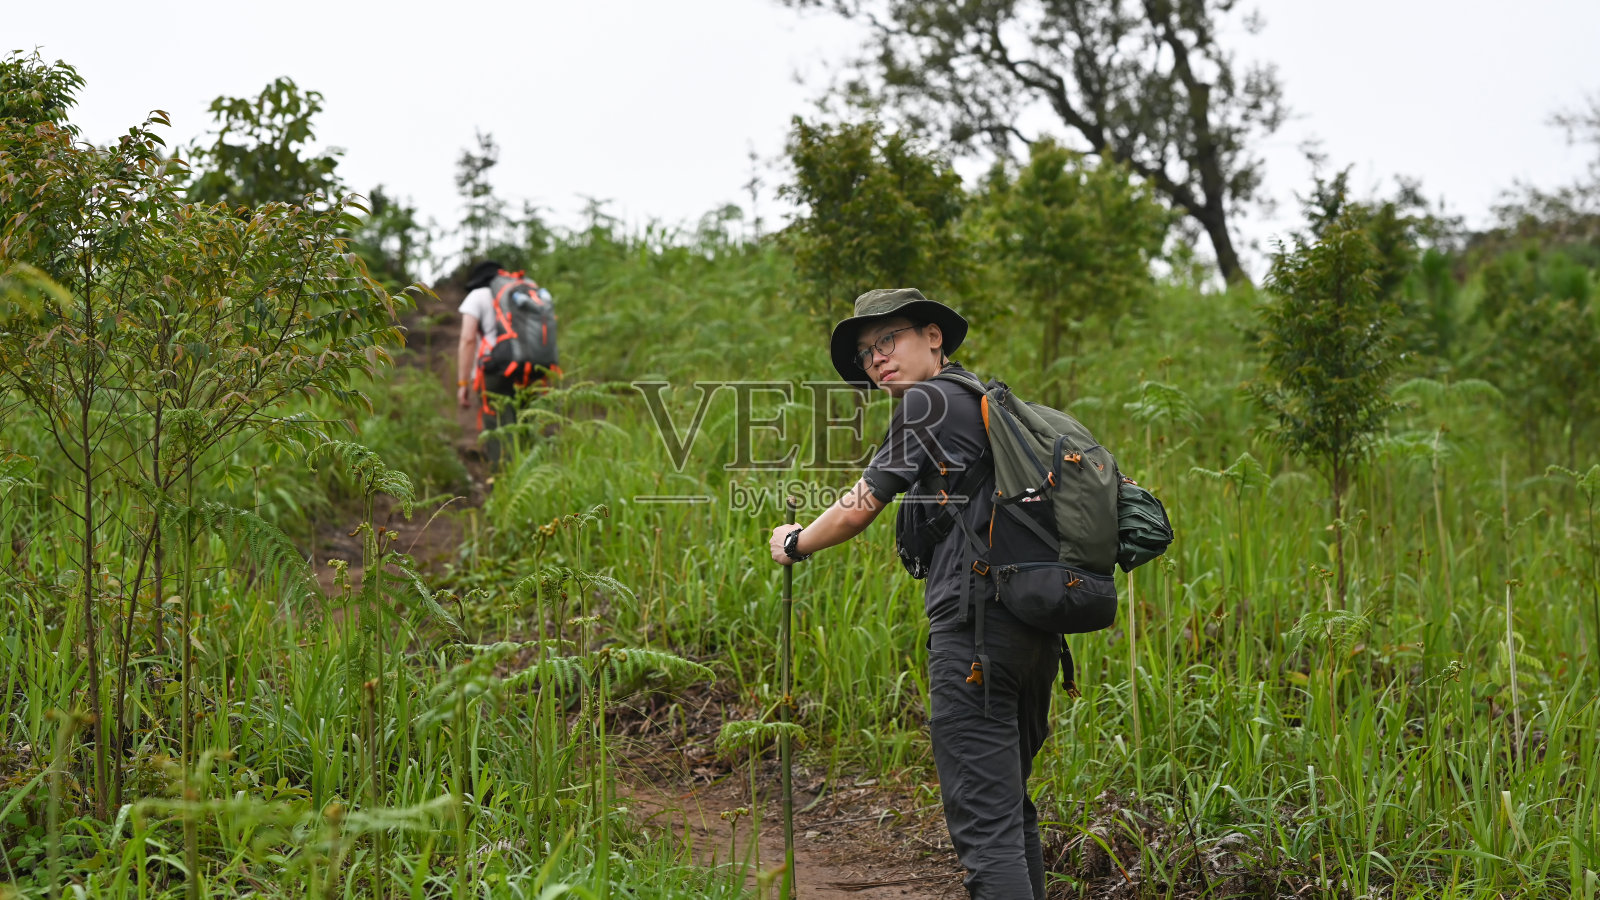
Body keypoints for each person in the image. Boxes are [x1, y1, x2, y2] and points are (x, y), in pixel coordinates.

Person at [768, 288, 1060, 900]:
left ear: (933, 336)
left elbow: (859, 508)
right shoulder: (984, 401)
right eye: (867, 352)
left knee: (986, 823)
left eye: (888, 340)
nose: (877, 359)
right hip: (1033, 629)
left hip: (977, 630)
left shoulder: (929, 403)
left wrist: (797, 541)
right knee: (1007, 810)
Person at [455, 259, 558, 454]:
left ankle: (502, 479)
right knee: (526, 424)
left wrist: (463, 384)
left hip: (495, 370)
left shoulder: (477, 295)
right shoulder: (521, 292)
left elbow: (468, 339)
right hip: (529, 366)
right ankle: (529, 475)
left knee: (499, 429)